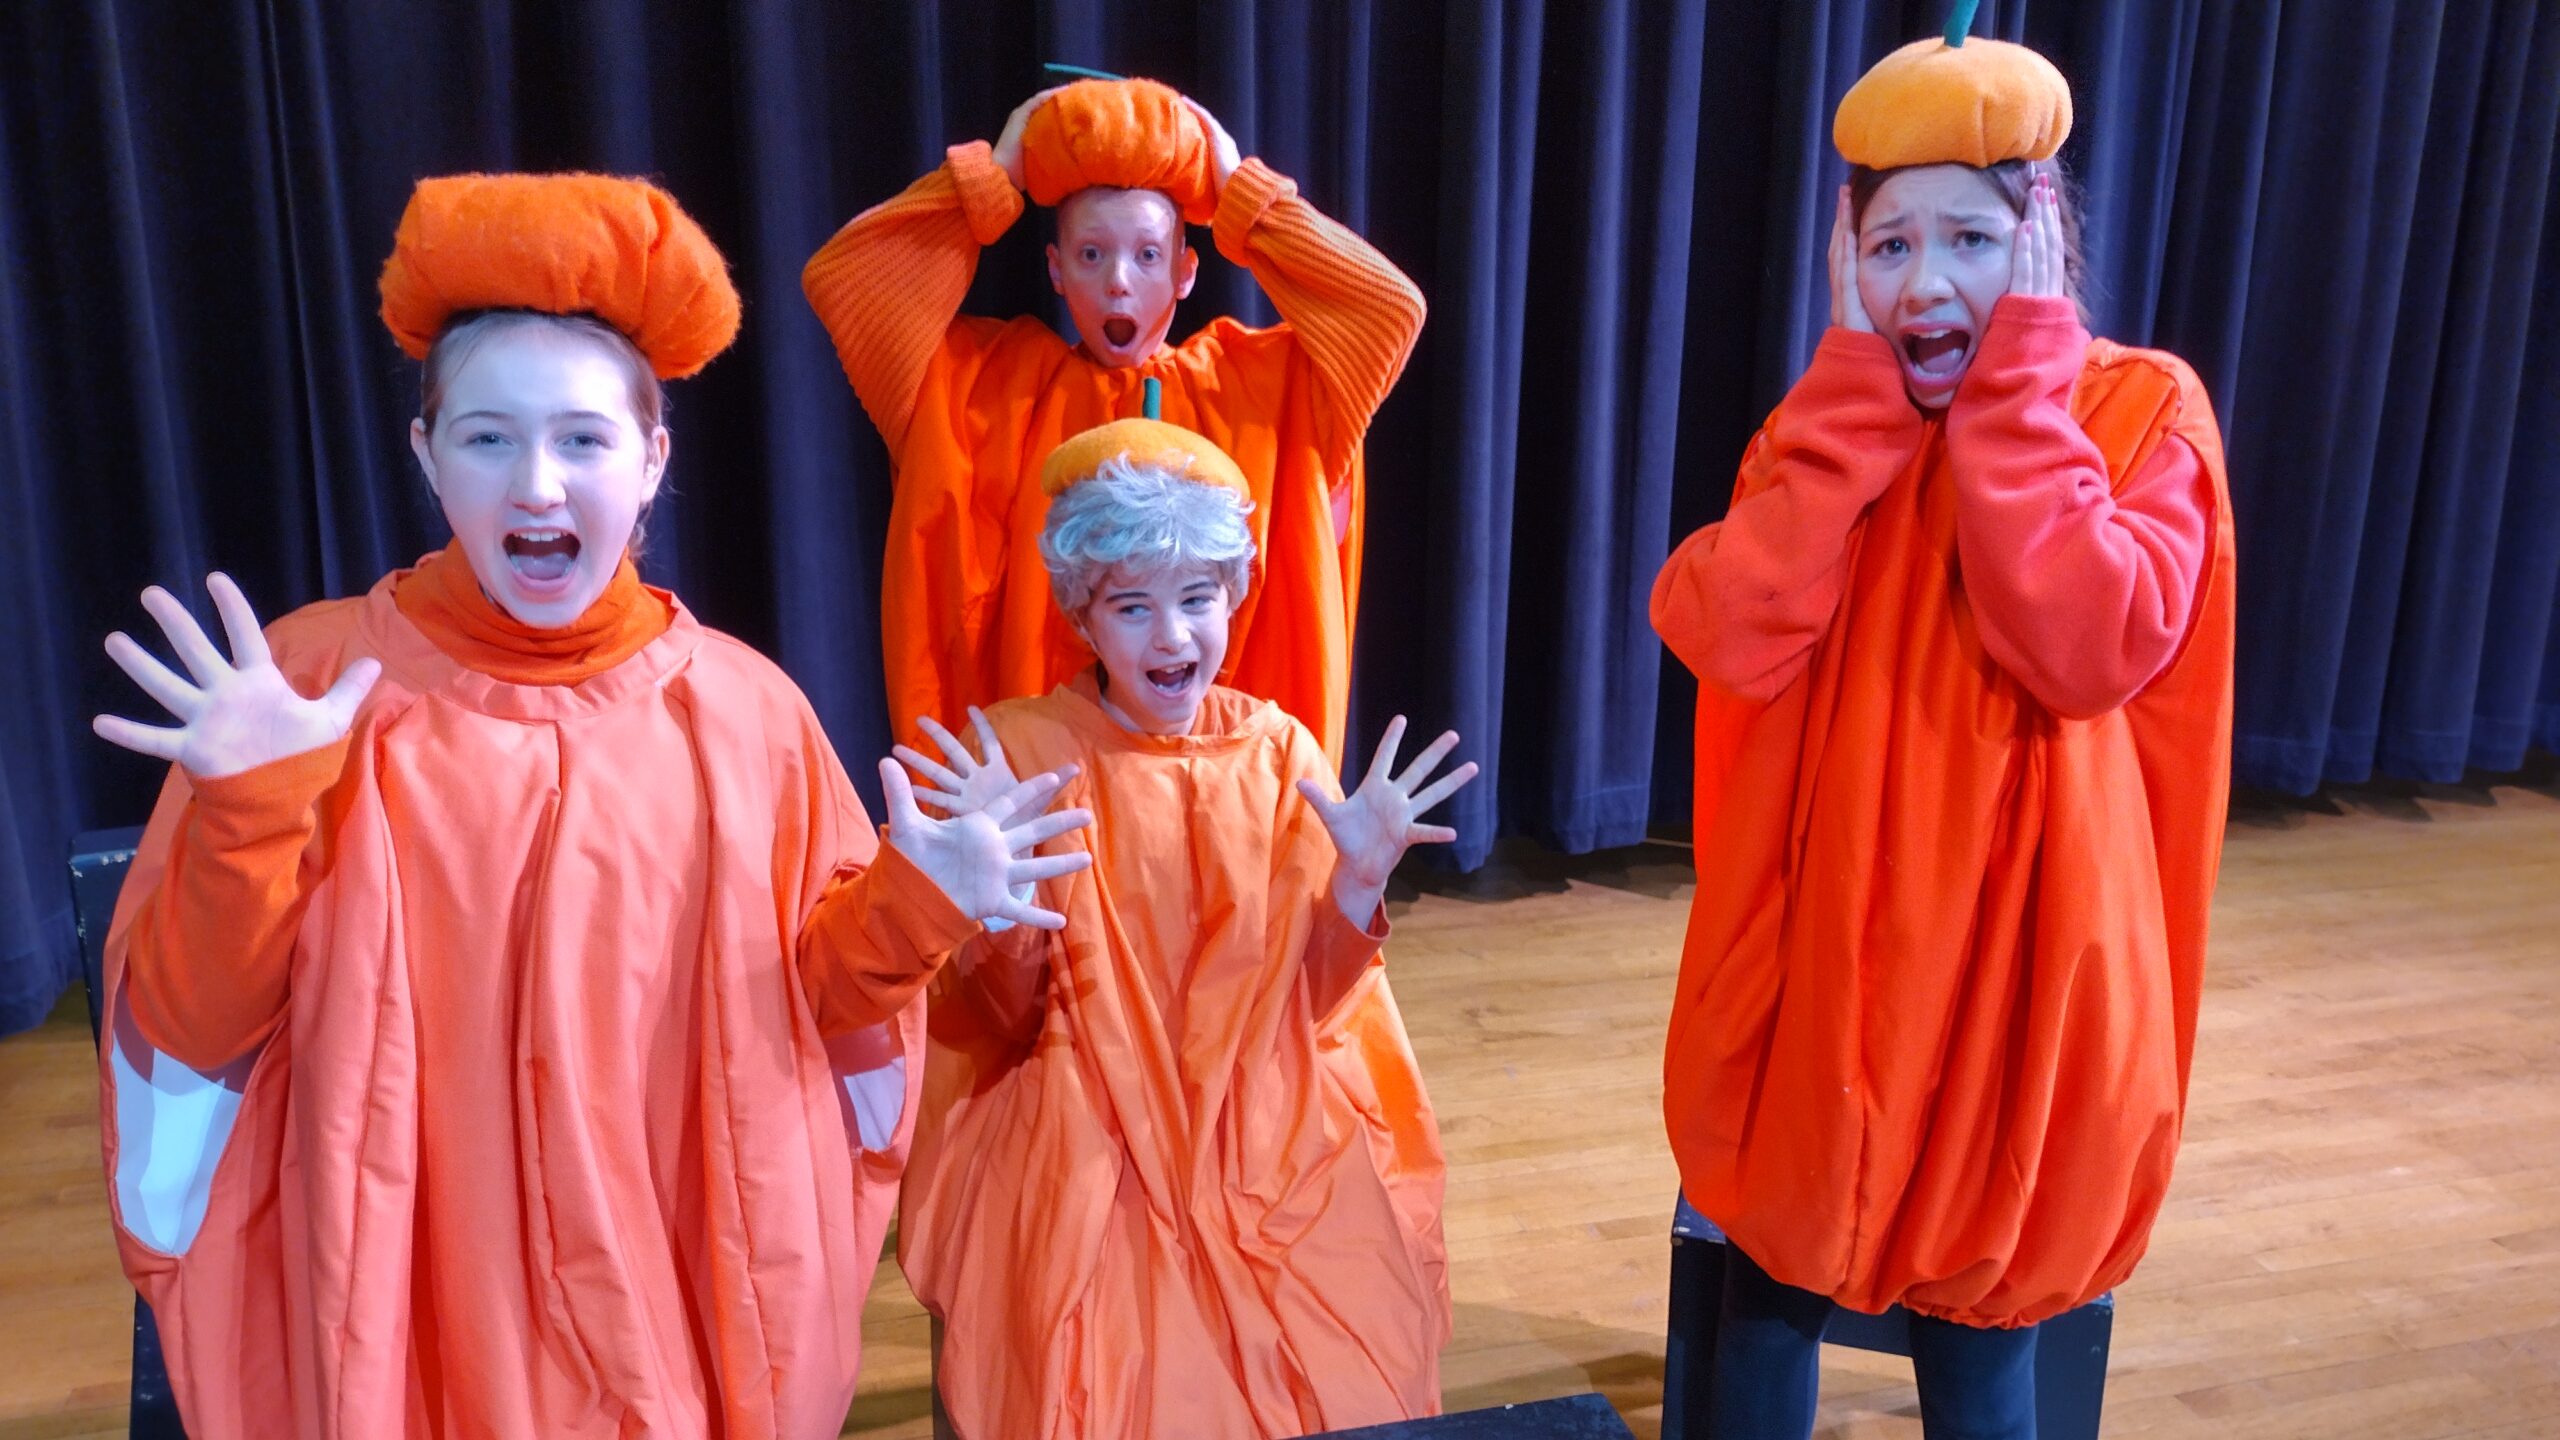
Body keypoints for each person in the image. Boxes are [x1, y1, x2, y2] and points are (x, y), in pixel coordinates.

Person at [90, 172, 1091, 1440]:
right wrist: (246, 814)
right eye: (488, 437)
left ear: (654, 458)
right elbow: (196, 1028)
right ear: (425, 455)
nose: (539, 488)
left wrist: (917, 904)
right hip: (418, 1328)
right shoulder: (304, 688)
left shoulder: (745, 713)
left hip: (672, 1306)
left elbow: (814, 1017)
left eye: (583, 438)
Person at [1649, 11, 2236, 1437]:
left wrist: (2022, 395)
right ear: (1846, 265)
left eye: (1972, 241)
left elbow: (2091, 643)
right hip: (1822, 959)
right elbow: (1724, 626)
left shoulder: (2136, 407)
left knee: (1984, 1331)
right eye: (1892, 243)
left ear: (2042, 253)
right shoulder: (1827, 427)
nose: (1929, 281)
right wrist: (1847, 418)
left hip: (2013, 980)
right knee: (1771, 1289)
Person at [891, 416, 1471, 1438]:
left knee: (1348, 1352)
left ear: (1232, 596)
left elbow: (1318, 1003)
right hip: (1083, 1113)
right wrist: (996, 905)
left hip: (1266, 1114)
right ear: (1084, 613)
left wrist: (1357, 887)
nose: (1172, 637)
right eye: (1133, 606)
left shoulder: (1278, 748)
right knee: (1097, 1372)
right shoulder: (1026, 751)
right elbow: (1000, 1016)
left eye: (1196, 599)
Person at [802, 75, 1426, 763]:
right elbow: (847, 281)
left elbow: (1389, 311)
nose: (1119, 281)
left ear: (1187, 271)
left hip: (1219, 802)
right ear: (1057, 269)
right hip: (1044, 798)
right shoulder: (980, 390)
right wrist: (994, 179)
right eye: (1092, 254)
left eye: (1148, 254)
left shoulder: (1263, 390)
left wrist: (1241, 197)